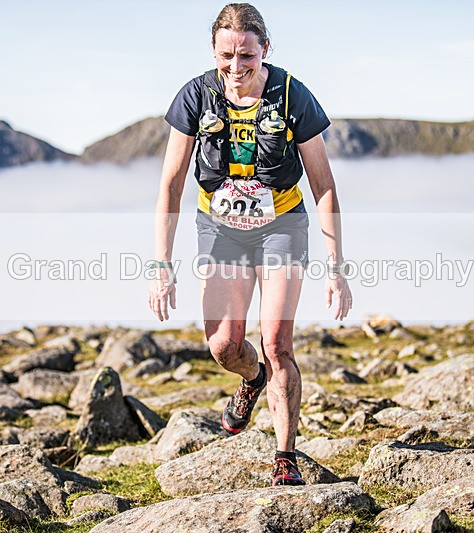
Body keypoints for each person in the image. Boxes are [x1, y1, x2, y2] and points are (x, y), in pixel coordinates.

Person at [148, 2, 352, 487]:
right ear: (213, 52)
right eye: (227, 56)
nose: (236, 67)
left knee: (277, 343)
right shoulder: (196, 96)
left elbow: (323, 185)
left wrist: (336, 266)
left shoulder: (292, 95)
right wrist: (161, 264)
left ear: (265, 50)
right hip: (220, 229)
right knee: (224, 345)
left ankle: (285, 457)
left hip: (281, 225)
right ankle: (252, 378)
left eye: (247, 56)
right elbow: (171, 185)